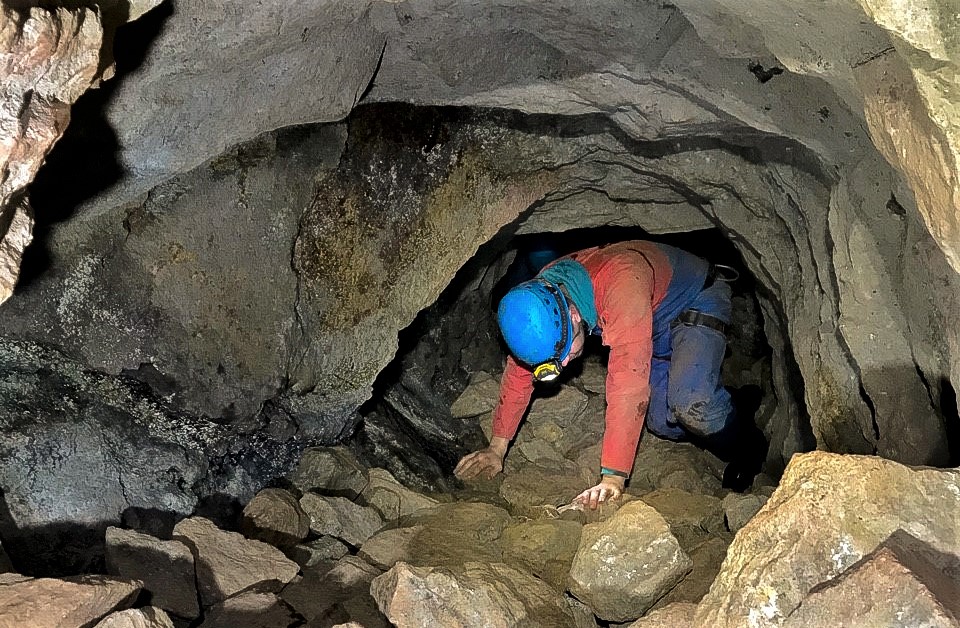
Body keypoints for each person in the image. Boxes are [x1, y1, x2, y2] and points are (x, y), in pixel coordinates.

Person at [454, 240, 767, 507]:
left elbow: (628, 388)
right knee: (661, 420)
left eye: (563, 355)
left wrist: (612, 479)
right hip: (649, 321)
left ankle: (749, 446)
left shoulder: (620, 283)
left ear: (574, 315)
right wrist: (496, 449)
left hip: (695, 302)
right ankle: (732, 404)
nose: (563, 367)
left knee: (691, 406)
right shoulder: (542, 295)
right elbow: (519, 373)